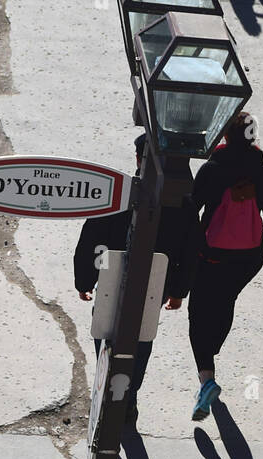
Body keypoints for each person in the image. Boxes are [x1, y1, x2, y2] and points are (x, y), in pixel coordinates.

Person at [74, 134, 200, 426]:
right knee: (140, 339)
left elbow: (91, 238)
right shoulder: (183, 204)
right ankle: (127, 399)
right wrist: (179, 290)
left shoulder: (117, 194)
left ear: (138, 160)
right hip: (154, 288)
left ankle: (107, 389)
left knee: (105, 331)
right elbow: (190, 251)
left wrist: (85, 279)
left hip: (109, 280)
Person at [187, 111, 263, 421]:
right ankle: (214, 345)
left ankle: (207, 378)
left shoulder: (212, 170)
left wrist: (183, 253)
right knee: (225, 299)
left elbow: (192, 213)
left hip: (212, 255)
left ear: (225, 137)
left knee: (199, 312)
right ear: (254, 137)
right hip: (249, 258)